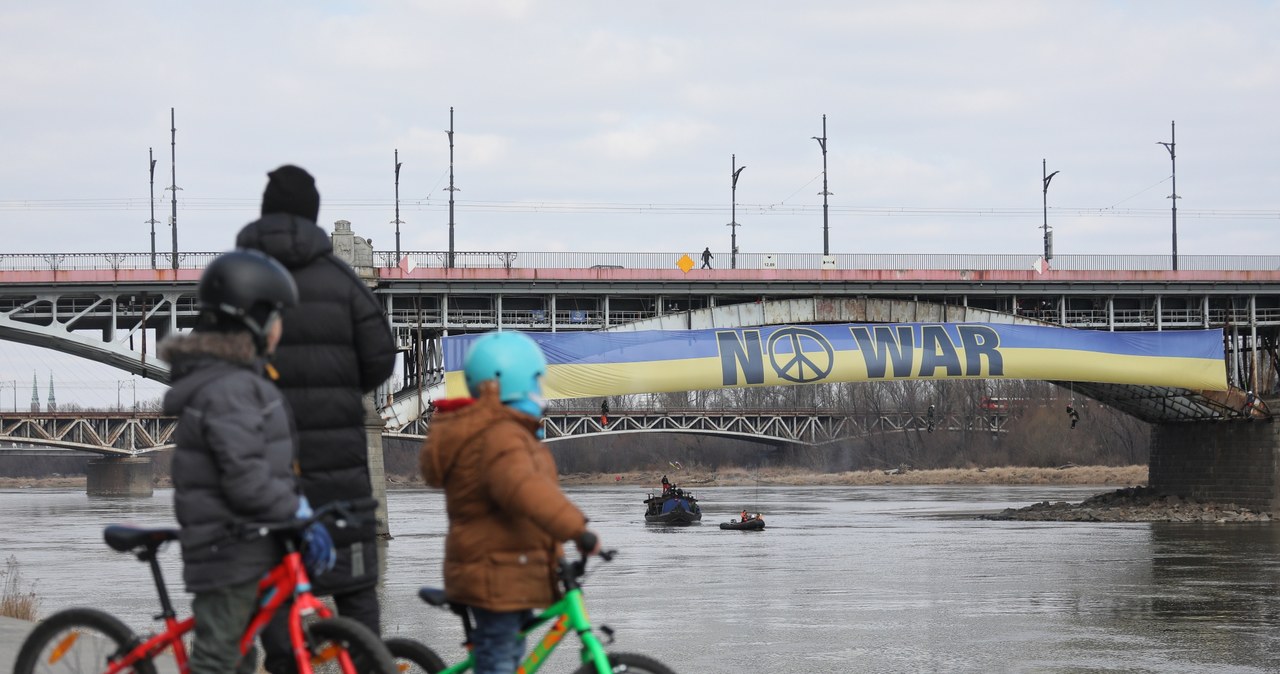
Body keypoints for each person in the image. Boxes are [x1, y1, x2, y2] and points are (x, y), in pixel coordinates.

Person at [236, 165, 397, 672]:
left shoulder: (238, 279)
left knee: (275, 594)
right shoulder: (343, 280)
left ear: (264, 213)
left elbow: (208, 363)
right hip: (341, 470)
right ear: (313, 214)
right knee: (355, 596)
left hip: (264, 471)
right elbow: (382, 358)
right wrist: (340, 387)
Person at [160, 250, 333, 674]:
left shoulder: (245, 379)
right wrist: (297, 512)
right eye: (276, 315)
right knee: (222, 662)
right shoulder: (229, 389)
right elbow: (246, 478)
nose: (280, 327)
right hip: (228, 552)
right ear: (252, 318)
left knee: (290, 654)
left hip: (259, 543)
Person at [421, 332, 600, 674]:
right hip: (493, 575)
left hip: (509, 570)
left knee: (510, 652)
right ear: (511, 378)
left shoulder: (509, 431)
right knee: (500, 661)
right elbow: (523, 489)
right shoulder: (497, 435)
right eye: (535, 379)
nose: (539, 389)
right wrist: (577, 530)